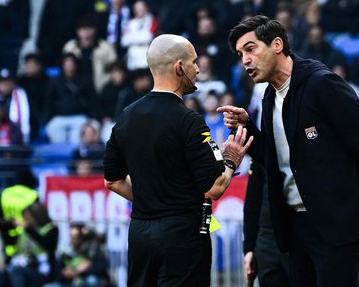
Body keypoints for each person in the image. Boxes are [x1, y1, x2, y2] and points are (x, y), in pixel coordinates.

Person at [218, 15, 359, 286]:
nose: (245, 60)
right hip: (295, 227)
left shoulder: (322, 84)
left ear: (277, 45)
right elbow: (272, 161)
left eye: (250, 49)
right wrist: (247, 127)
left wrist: (357, 207)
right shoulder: (269, 97)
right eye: (240, 55)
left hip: (335, 225)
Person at [104, 34, 253, 286]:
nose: (197, 69)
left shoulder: (126, 117)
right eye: (193, 62)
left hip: (140, 234)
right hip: (183, 235)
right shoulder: (188, 120)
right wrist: (231, 160)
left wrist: (153, 201)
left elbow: (112, 181)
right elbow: (214, 187)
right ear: (179, 67)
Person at [0, 201, 59, 287]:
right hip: (22, 267)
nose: (26, 220)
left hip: (41, 271)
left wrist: (28, 228)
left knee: (17, 271)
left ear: (37, 216)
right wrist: (5, 226)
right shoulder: (24, 232)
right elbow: (10, 243)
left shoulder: (51, 229)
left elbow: (47, 244)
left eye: (28, 218)